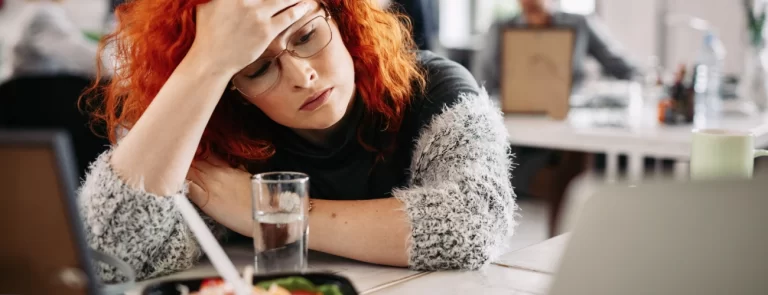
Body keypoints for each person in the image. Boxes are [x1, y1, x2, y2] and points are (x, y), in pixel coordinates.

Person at [78, 0, 518, 282]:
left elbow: (474, 223)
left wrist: (267, 216)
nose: (302, 75)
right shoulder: (220, 133)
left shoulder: (432, 86)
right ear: (234, 89)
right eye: (255, 68)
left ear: (343, 18)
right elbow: (104, 255)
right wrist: (208, 62)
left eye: (307, 36)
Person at [473, 0, 637, 94]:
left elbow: (620, 65)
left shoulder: (579, 24)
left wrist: (648, 80)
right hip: (514, 118)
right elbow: (483, 81)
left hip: (568, 117)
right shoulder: (500, 29)